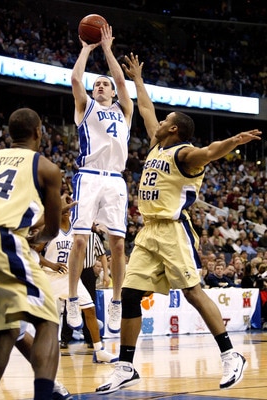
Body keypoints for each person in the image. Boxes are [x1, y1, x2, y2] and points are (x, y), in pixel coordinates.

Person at [95, 53, 262, 394]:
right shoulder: (158, 144)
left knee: (193, 293)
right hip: (148, 231)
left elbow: (210, 151)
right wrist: (138, 80)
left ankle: (231, 355)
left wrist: (232, 143)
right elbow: (144, 108)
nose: (155, 122)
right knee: (128, 294)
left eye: (164, 120)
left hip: (174, 230)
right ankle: (126, 365)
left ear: (173, 129)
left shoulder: (185, 154)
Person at [0, 108, 62, 400]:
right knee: (47, 320)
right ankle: (44, 395)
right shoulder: (46, 168)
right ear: (38, 132)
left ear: (9, 133)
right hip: (3, 239)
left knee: (8, 329)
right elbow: (52, 231)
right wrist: (34, 237)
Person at [67, 23, 134, 334]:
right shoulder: (86, 107)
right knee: (80, 240)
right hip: (89, 176)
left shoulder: (125, 110)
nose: (101, 87)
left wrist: (107, 47)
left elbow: (122, 80)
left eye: (105, 84)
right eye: (98, 85)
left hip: (115, 180)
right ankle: (71, 298)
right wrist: (86, 48)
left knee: (118, 245)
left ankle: (116, 301)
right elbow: (75, 79)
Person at [36, 195, 118, 363]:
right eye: (63, 207)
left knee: (91, 310)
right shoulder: (49, 229)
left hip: (71, 278)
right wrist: (51, 264)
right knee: (45, 318)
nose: (66, 210)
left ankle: (99, 350)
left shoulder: (76, 230)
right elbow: (33, 252)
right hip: (50, 277)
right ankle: (43, 351)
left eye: (68, 207)